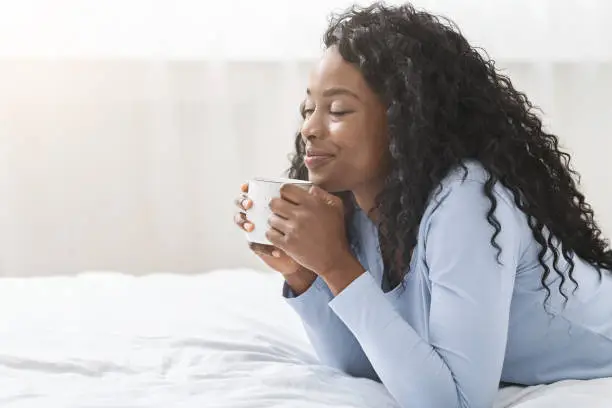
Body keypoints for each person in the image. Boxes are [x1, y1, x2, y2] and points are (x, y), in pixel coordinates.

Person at [233, 3, 612, 408]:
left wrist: (336, 266)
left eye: (338, 110)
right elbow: (361, 362)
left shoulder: (466, 202)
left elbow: (455, 402)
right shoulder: (358, 206)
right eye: (308, 109)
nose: (309, 128)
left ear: (404, 117)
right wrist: (305, 275)